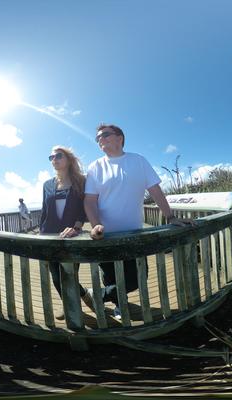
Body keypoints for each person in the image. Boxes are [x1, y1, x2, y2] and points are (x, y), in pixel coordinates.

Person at [84, 123, 187, 320]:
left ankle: (96, 294)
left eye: (105, 135)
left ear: (119, 138)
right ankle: (119, 306)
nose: (100, 140)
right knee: (110, 276)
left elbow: (155, 191)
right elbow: (89, 200)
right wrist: (95, 224)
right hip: (105, 235)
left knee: (138, 277)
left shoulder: (138, 161)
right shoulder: (95, 166)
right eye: (97, 138)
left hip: (134, 234)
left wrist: (171, 217)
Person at [39, 146, 95, 319]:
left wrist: (77, 227)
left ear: (69, 159)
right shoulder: (47, 184)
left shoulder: (81, 181)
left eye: (58, 155)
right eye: (51, 157)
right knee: (56, 276)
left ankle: (77, 299)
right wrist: (40, 235)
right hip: (49, 236)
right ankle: (75, 299)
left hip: (71, 236)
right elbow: (44, 211)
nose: (54, 159)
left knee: (70, 273)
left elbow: (85, 208)